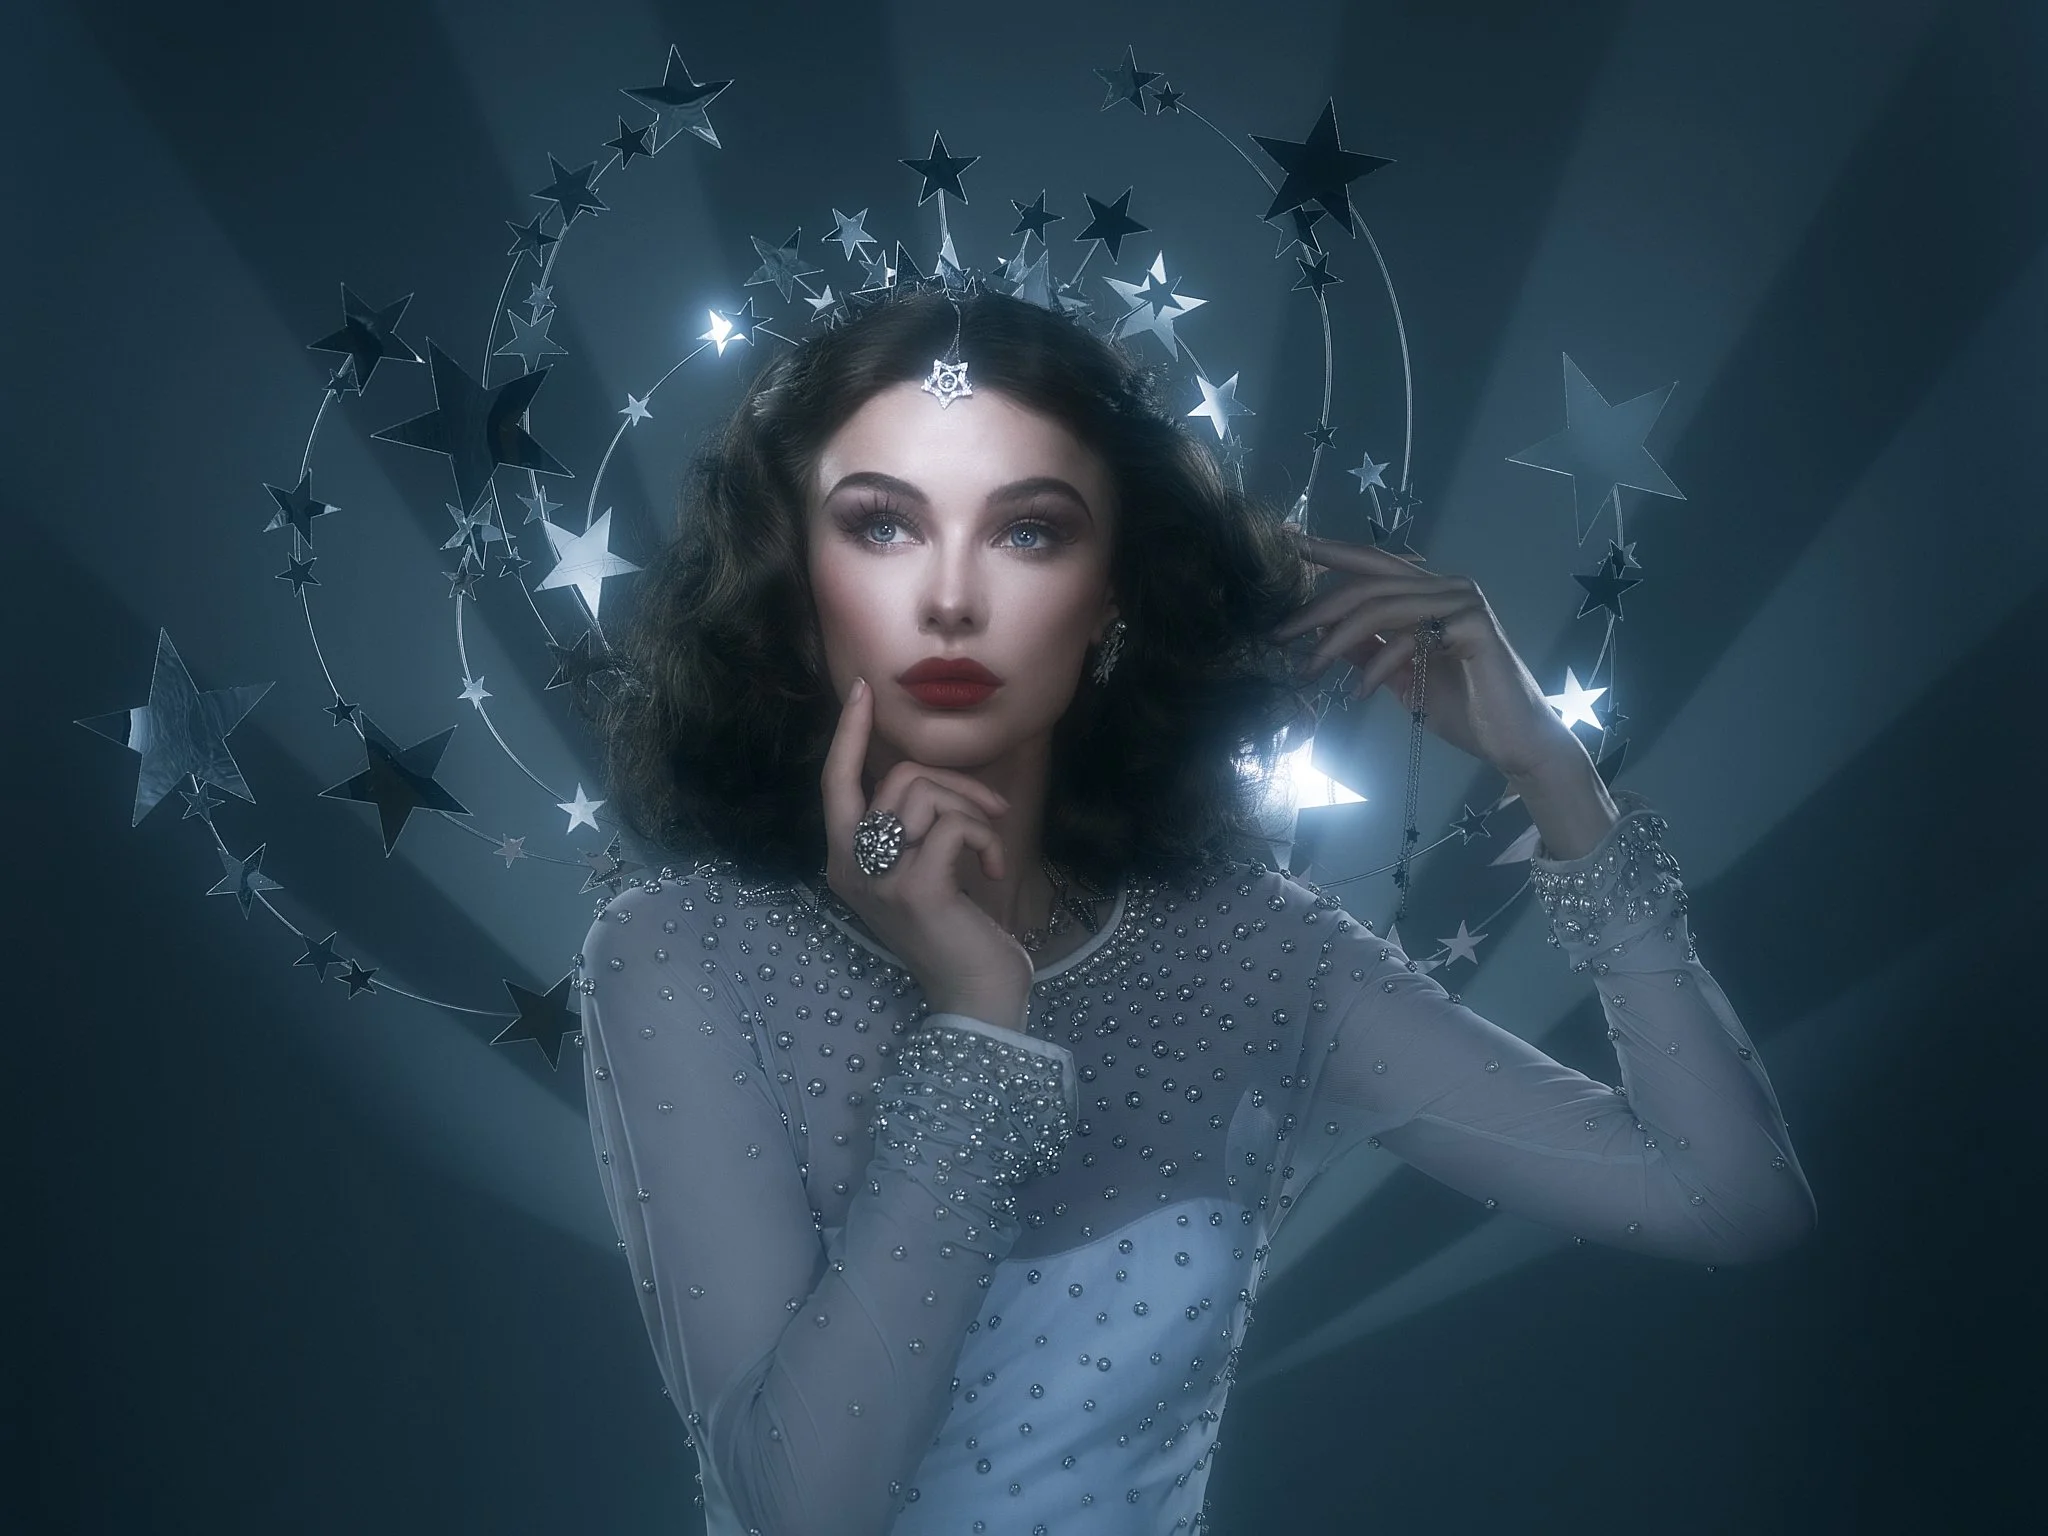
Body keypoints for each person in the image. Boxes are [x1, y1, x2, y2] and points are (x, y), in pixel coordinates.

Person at [574, 288, 1816, 1536]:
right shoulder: (678, 952)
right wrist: (978, 1016)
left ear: (1112, 591)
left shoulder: (1255, 948)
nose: (950, 598)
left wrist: (1553, 777)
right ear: (794, 583)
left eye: (1027, 532)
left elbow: (1729, 1200)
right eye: (883, 526)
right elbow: (800, 1510)